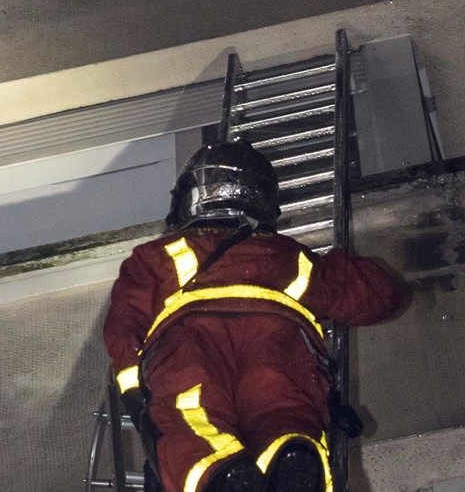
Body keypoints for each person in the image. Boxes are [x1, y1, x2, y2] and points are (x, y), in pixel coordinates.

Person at [102, 141, 405, 492]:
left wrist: (135, 390)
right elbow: (379, 296)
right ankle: (292, 449)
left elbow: (125, 323)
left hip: (190, 344)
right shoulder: (290, 257)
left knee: (193, 416)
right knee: (283, 408)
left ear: (189, 198)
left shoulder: (158, 255)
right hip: (280, 342)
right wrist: (339, 264)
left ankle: (222, 474)